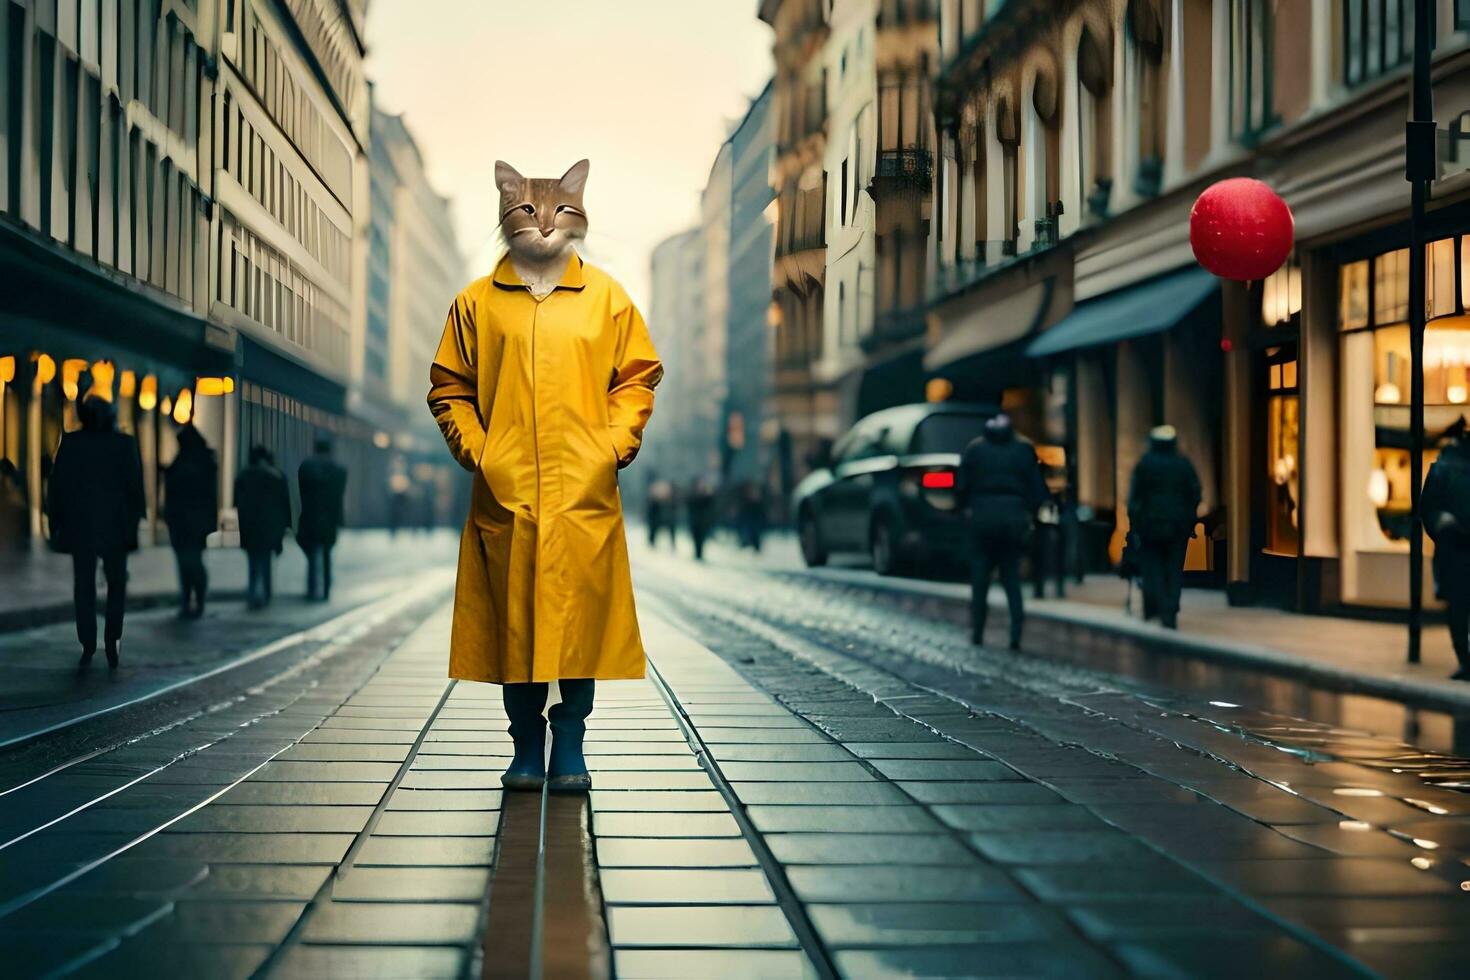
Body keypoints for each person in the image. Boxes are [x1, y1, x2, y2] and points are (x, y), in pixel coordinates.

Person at [428, 158, 661, 794]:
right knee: (515, 624)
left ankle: (572, 743)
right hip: (506, 492)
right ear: (505, 214)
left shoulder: (607, 298)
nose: (544, 224)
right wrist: (480, 452)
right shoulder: (476, 303)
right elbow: (449, 386)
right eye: (528, 210)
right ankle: (526, 743)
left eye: (559, 210)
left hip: (582, 491)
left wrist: (611, 446)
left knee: (578, 624)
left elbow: (636, 377)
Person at [47, 395, 145, 668]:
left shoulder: (73, 443)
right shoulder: (123, 444)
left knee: (84, 584)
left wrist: (55, 522)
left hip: (81, 526)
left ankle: (88, 640)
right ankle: (112, 638)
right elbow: (135, 488)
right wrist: (135, 523)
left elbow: (57, 487)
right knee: (116, 584)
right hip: (116, 526)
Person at [956, 414, 1049, 650]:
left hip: (982, 520)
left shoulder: (975, 450)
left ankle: (977, 632)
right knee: (1011, 579)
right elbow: (1037, 489)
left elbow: (961, 488)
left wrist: (966, 510)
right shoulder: (1023, 450)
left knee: (980, 580)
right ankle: (1015, 635)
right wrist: (1029, 512)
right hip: (1013, 520)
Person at [1127, 425, 1202, 630]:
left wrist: (1135, 522)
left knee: (1155, 568)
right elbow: (1195, 493)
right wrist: (1189, 517)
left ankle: (1160, 606)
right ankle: (1171, 608)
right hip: (1177, 525)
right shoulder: (1183, 464)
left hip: (1150, 525)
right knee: (1174, 569)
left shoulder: (1145, 464)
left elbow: (1135, 497)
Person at [1424, 429, 1470, 680]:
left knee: (1458, 609)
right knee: (1459, 607)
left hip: (1454, 549)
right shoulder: (1448, 465)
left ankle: (1465, 660)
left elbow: (1429, 508)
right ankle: (1465, 660)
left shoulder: (1446, 464)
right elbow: (1430, 508)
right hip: (1456, 549)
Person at [163, 424, 219, 619]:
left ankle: (190, 600)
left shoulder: (188, 463)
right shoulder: (204, 462)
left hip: (186, 522)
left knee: (189, 562)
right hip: (191, 523)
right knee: (191, 562)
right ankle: (193, 600)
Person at [235, 444, 292, 610]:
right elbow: (284, 506)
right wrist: (283, 528)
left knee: (253, 563)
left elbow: (238, 503)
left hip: (251, 527)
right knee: (266, 562)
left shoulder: (244, 476)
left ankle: (253, 594)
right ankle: (266, 593)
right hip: (269, 528)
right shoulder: (277, 477)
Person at [298, 438, 347, 601]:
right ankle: (325, 589)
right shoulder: (338, 470)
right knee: (327, 554)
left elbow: (303, 493)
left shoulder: (306, 467)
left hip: (310, 517)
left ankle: (312, 589)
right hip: (330, 519)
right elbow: (339, 495)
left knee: (312, 555)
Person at [686, 477, 717, 561]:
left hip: (703, 522)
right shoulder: (692, 494)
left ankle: (699, 555)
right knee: (696, 539)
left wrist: (709, 496)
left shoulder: (706, 496)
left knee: (702, 539)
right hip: (695, 521)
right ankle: (697, 554)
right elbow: (690, 506)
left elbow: (711, 507)